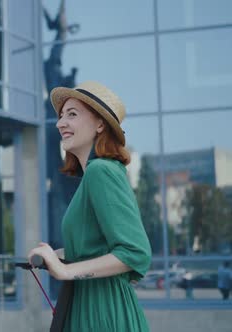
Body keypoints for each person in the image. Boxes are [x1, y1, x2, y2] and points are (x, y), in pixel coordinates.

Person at [27, 81, 152, 331]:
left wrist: (66, 271)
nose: (60, 123)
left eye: (72, 114)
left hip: (103, 311)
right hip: (90, 304)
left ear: (100, 124)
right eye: (61, 116)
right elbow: (97, 246)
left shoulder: (101, 171)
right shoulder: (93, 176)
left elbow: (135, 252)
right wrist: (56, 256)